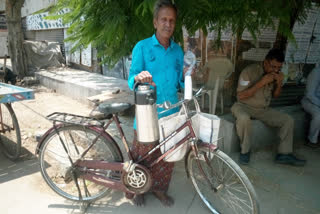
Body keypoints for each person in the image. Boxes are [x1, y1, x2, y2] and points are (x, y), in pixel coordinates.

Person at [127, 0, 184, 207]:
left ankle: (159, 189)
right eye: (164, 19)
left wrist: (187, 75)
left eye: (172, 20)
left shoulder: (178, 51)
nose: (168, 24)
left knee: (167, 156)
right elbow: (131, 78)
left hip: (172, 112)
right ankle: (138, 189)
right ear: (155, 22)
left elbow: (180, 82)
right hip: (147, 114)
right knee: (142, 157)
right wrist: (138, 77)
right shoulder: (142, 47)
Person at [231, 48, 306, 166]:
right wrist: (262, 82)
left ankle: (284, 154)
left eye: (279, 68)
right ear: (265, 62)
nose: (275, 70)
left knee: (288, 120)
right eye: (273, 66)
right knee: (244, 118)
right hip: (243, 106)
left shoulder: (277, 74)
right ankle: (245, 151)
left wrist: (279, 84)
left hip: (262, 110)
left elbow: (275, 96)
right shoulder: (249, 71)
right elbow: (240, 96)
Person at [301, 65, 320, 148]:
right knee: (318, 115)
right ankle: (312, 140)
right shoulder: (316, 72)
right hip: (309, 101)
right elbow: (309, 94)